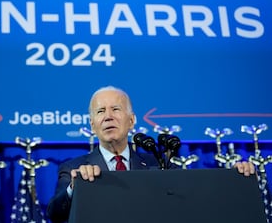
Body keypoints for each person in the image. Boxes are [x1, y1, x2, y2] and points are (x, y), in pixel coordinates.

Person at [46, 85, 256, 223]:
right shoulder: (73, 168)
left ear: (132, 120)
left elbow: (195, 198)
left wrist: (236, 178)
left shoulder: (157, 163)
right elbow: (55, 214)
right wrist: (75, 187)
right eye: (100, 112)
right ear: (92, 125)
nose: (108, 117)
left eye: (116, 109)